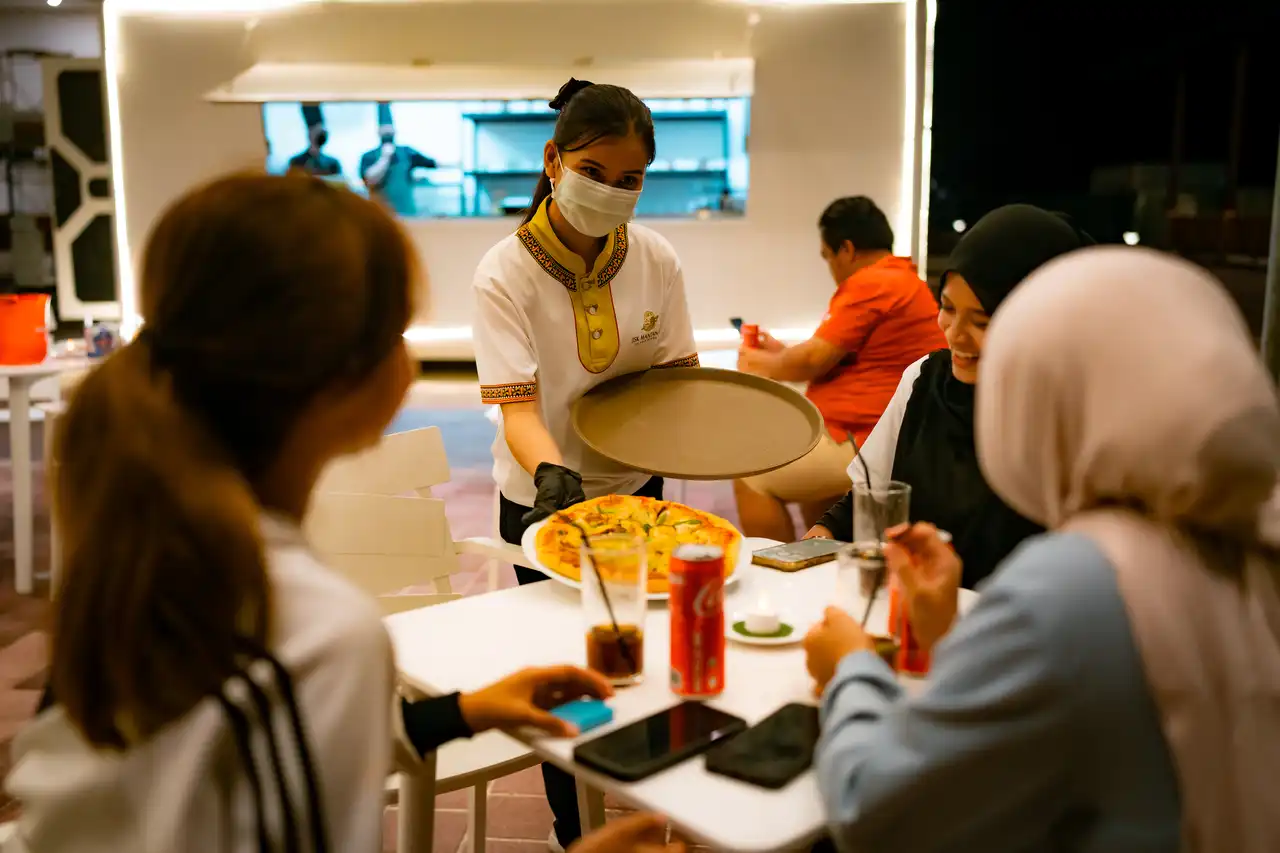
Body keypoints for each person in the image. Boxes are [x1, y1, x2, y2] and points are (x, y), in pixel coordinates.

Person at [1, 173, 682, 853]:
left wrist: (460, 712)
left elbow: (242, 762)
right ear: (345, 380)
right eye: (397, 332)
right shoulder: (317, 633)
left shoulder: (154, 558)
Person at [803, 247, 1280, 852]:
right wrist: (953, 638)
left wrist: (852, 670)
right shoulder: (1248, 534)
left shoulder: (1079, 582)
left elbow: (873, 811)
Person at [472, 77, 698, 852]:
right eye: (593, 173)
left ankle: (650, 819)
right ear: (554, 159)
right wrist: (551, 476)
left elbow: (676, 381)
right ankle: (578, 834)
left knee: (646, 662)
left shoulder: (657, 258)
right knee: (562, 680)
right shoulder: (504, 271)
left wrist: (705, 434)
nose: (609, 192)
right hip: (542, 499)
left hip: (637, 490)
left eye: (629, 179)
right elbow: (519, 409)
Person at [806, 204, 1093, 590]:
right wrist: (823, 532)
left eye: (982, 321)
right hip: (911, 610)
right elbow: (870, 497)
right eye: (948, 308)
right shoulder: (924, 380)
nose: (955, 335)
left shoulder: (1069, 414)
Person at [735, 196, 945, 542]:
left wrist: (760, 362)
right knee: (814, 498)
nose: (830, 267)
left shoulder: (872, 283)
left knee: (749, 472)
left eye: (827, 256)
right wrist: (780, 354)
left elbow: (812, 360)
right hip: (864, 430)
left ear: (846, 249)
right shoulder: (900, 280)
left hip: (866, 436)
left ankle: (779, 574)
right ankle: (817, 572)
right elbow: (833, 355)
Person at [359, 120, 438, 216]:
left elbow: (432, 163)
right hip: (380, 213)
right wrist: (385, 158)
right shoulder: (369, 156)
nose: (387, 132)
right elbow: (368, 179)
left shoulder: (407, 152)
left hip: (406, 211)